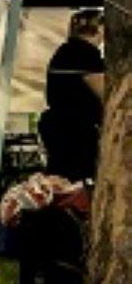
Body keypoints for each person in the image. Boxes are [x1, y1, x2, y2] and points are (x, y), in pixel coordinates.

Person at [40, 10, 107, 180]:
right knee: (78, 178)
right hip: (75, 130)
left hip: (60, 125)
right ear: (99, 29)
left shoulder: (65, 51)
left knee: (62, 176)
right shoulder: (85, 54)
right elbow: (104, 91)